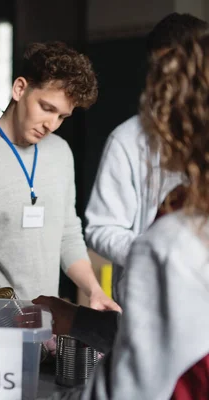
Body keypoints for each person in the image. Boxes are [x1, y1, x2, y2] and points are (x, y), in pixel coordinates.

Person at [36, 31, 209, 399]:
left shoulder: (172, 241)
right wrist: (76, 319)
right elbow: (167, 342)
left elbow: (130, 390)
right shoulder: (180, 209)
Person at [0, 41, 120, 312]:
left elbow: (67, 234)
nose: (51, 125)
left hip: (45, 324)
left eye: (62, 117)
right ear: (20, 89)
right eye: (46, 108)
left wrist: (94, 291)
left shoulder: (61, 153)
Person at [84, 12, 207, 304]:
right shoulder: (127, 139)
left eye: (176, 70)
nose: (166, 83)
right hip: (146, 301)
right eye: (158, 70)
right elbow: (101, 228)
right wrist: (154, 253)